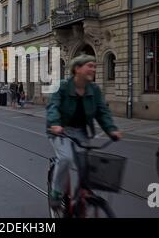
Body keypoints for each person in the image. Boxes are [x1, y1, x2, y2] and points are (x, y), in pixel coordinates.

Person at [46, 54, 123, 209]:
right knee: (66, 158)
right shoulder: (62, 86)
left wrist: (112, 130)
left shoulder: (94, 89)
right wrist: (55, 124)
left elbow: (102, 112)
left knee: (86, 166)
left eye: (94, 66)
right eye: (90, 65)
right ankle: (56, 191)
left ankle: (83, 197)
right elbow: (53, 106)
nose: (93, 69)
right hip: (61, 131)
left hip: (81, 132)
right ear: (77, 68)